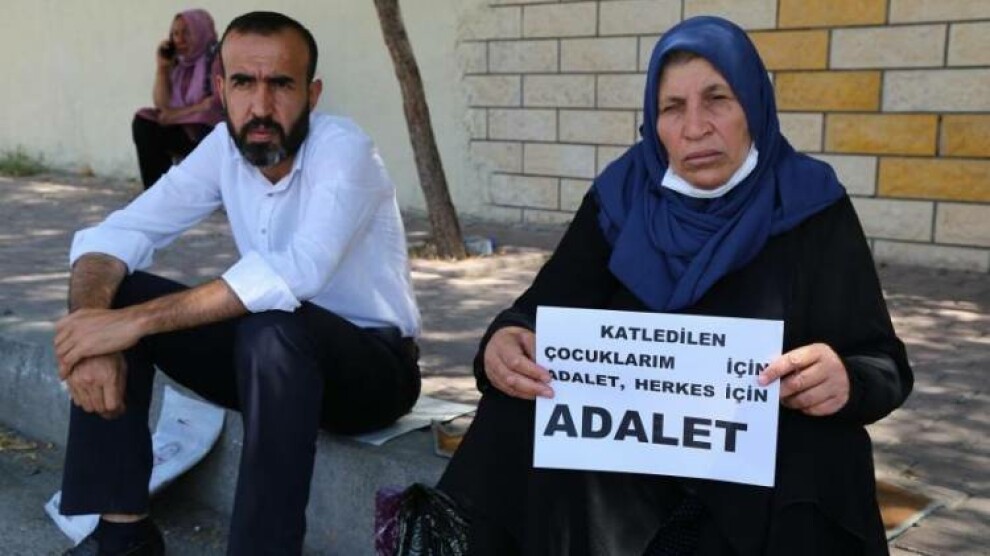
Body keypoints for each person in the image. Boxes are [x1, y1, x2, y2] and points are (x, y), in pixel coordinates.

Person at [438, 15, 912, 556]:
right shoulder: (621, 198)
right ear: (653, 120)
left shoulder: (809, 203)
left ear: (754, 105)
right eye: (672, 108)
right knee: (514, 410)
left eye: (717, 99)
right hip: (621, 474)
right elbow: (537, 314)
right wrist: (506, 341)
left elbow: (883, 362)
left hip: (753, 483)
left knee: (826, 450)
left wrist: (847, 379)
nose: (695, 127)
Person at [54, 11, 421, 556]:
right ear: (221, 89)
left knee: (267, 328)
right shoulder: (223, 149)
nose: (261, 106)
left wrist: (128, 324)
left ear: (312, 94)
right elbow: (117, 234)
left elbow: (297, 270)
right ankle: (123, 534)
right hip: (269, 368)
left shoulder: (345, 150)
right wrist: (92, 331)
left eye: (281, 85)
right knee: (118, 293)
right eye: (245, 83)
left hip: (370, 372)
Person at [132, 9, 224, 189]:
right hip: (182, 126)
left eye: (186, 32)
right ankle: (155, 190)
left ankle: (163, 190)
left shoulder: (217, 60)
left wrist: (176, 115)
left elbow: (213, 103)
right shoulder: (179, 63)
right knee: (143, 121)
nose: (179, 39)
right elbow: (162, 105)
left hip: (208, 133)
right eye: (175, 33)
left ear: (201, 31)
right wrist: (162, 68)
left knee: (201, 117)